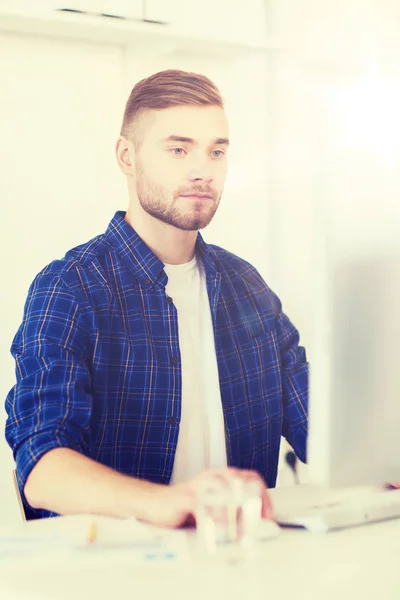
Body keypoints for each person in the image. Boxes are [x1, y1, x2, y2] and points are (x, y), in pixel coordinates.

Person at [5, 69, 308, 526]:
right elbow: (43, 467)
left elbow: (322, 427)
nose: (202, 169)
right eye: (179, 149)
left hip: (243, 565)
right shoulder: (71, 288)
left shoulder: (249, 288)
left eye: (217, 151)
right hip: (115, 574)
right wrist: (168, 504)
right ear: (127, 156)